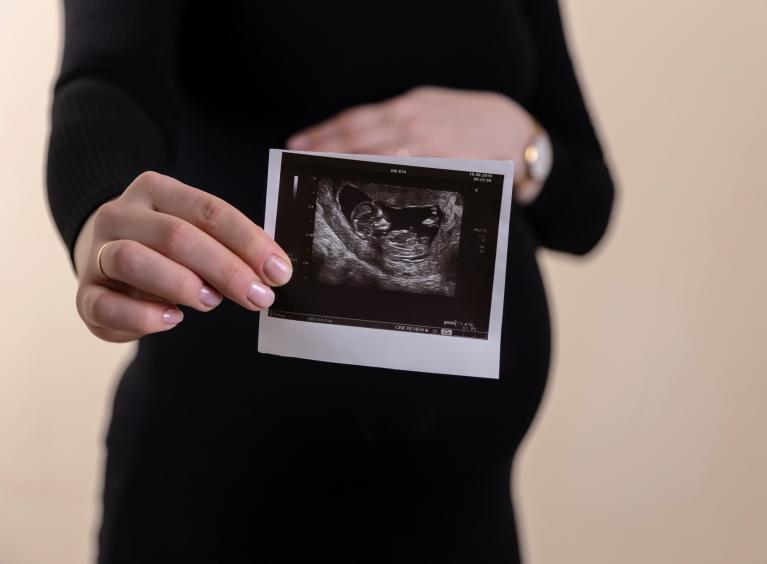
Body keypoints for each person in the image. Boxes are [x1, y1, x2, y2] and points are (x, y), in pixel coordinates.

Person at [46, 0, 615, 562]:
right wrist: (101, 211)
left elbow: (587, 210)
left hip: (462, 510)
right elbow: (106, 83)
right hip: (224, 496)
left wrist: (524, 143)